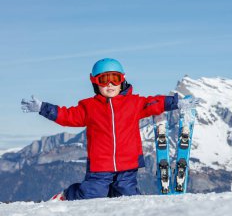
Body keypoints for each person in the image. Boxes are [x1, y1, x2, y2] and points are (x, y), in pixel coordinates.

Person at [21, 58, 196, 201]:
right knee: (91, 194)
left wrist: (177, 103)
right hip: (100, 164)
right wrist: (43, 108)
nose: (110, 84)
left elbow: (154, 103)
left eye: (115, 78)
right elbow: (67, 115)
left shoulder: (134, 103)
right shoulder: (89, 107)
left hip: (128, 163)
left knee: (128, 197)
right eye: (104, 79)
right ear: (94, 81)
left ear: (123, 79)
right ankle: (68, 195)